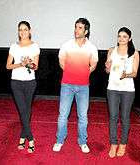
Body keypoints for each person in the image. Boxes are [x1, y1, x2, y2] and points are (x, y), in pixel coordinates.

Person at [52, 18, 98, 153]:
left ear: (86, 31)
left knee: (83, 116)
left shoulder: (92, 47)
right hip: (67, 85)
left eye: (80, 28)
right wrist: (71, 72)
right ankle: (59, 140)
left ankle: (83, 142)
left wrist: (84, 73)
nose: (76, 30)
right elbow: (61, 62)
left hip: (83, 87)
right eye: (76, 27)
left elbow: (93, 64)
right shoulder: (66, 45)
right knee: (63, 115)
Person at [105, 27, 139, 158]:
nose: (121, 39)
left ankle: (123, 144)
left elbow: (135, 73)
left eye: (124, 36)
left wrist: (127, 74)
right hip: (112, 88)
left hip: (128, 90)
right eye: (119, 36)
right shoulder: (111, 51)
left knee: (125, 117)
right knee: (113, 117)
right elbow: (108, 70)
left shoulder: (134, 53)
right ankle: (113, 144)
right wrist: (107, 67)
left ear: (129, 38)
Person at [6, 21, 40, 153]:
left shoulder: (35, 46)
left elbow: (35, 66)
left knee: (27, 110)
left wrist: (29, 64)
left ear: (29, 31)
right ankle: (30, 138)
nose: (23, 32)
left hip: (30, 82)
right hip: (16, 82)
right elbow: (8, 66)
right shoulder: (14, 46)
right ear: (18, 31)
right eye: (20, 29)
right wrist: (20, 64)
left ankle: (22, 136)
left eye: (25, 29)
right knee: (22, 110)